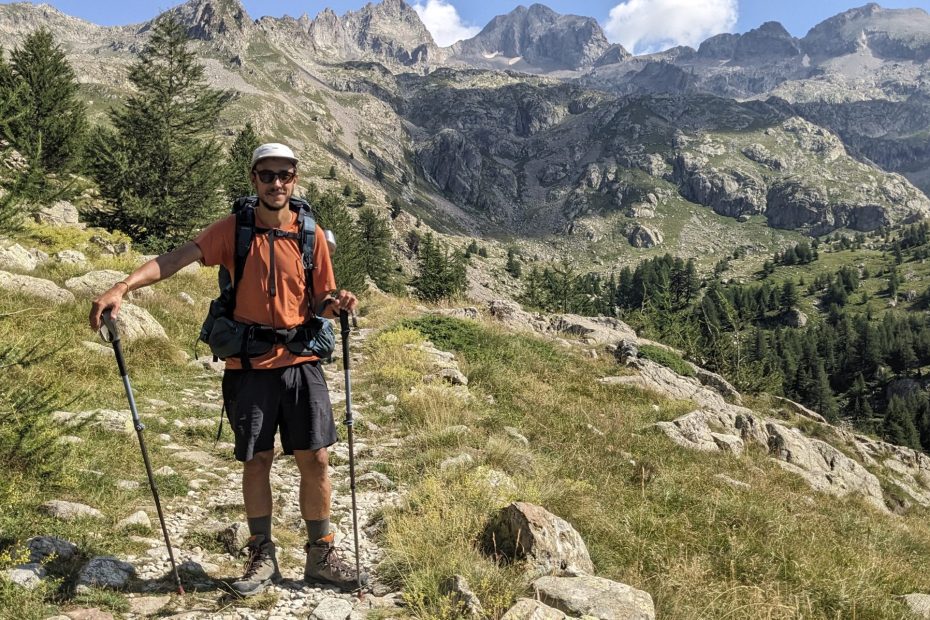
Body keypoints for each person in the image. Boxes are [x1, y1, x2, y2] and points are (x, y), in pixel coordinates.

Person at [89, 143, 366, 596]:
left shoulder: (310, 234)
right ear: (253, 178)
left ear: (295, 178)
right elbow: (174, 259)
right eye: (267, 175)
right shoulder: (233, 230)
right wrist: (123, 286)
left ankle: (321, 554)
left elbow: (321, 299)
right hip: (249, 364)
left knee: (315, 458)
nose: (276, 183)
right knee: (257, 460)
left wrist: (338, 304)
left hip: (301, 362)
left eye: (284, 175)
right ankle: (262, 554)